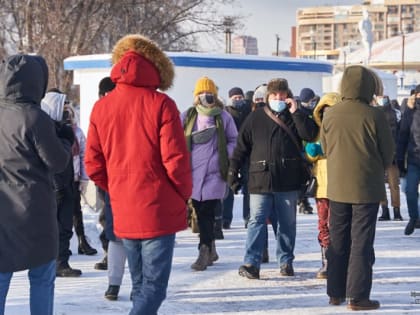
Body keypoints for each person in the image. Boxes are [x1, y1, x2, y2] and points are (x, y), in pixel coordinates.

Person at [85, 34, 192, 315]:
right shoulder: (162, 104)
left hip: (123, 206)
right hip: (158, 206)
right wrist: (182, 194)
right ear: (155, 67)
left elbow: (93, 163)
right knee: (154, 286)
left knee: (140, 283)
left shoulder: (101, 107)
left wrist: (117, 186)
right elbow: (176, 160)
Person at [0, 54, 71, 315]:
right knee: (42, 277)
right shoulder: (35, 117)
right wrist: (64, 137)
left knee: (1, 276)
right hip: (35, 211)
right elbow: (58, 162)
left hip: (3, 209)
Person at [229, 78, 318, 280]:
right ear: (268, 96)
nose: (279, 98)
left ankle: (286, 261)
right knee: (256, 221)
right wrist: (233, 171)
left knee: (287, 223)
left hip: (288, 179)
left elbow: (310, 134)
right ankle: (252, 262)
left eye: (282, 94)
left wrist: (296, 112)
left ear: (288, 96)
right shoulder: (256, 117)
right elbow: (241, 147)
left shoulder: (294, 116)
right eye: (275, 95)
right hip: (260, 178)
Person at [321, 65, 394, 310]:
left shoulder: (330, 114)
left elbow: (325, 146)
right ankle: (358, 296)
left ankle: (335, 292)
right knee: (361, 242)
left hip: (337, 187)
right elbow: (387, 154)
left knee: (338, 240)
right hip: (366, 188)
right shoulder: (374, 115)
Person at [181, 76, 238, 271]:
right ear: (196, 96)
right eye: (202, 93)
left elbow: (233, 140)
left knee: (206, 212)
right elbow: (176, 136)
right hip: (193, 173)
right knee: (199, 210)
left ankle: (203, 251)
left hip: (215, 172)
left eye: (210, 93)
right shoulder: (188, 116)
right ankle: (211, 247)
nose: (206, 97)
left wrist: (221, 155)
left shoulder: (223, 117)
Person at [41, 89, 82, 277]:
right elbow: (53, 158)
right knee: (57, 226)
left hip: (67, 183)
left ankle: (61, 260)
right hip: (56, 185)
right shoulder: (46, 128)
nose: (65, 112)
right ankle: (57, 263)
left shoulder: (63, 129)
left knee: (65, 225)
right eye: (62, 107)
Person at [304, 92, 340, 279]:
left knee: (339, 225)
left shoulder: (345, 132)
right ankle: (327, 261)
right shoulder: (316, 131)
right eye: (324, 112)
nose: (327, 116)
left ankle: (341, 260)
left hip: (342, 187)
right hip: (322, 187)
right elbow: (310, 156)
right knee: (323, 224)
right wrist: (312, 151)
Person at [62, 102, 98, 255]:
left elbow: (84, 155)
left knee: (77, 211)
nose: (67, 116)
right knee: (61, 213)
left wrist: (84, 178)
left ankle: (82, 240)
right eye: (64, 113)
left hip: (75, 178)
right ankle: (62, 245)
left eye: (69, 113)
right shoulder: (54, 130)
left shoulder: (78, 133)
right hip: (60, 179)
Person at [93, 76, 116, 271]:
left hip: (119, 171)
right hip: (104, 173)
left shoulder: (121, 111)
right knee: (106, 215)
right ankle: (109, 251)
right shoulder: (98, 112)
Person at [223, 87, 251, 230]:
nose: (238, 100)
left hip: (246, 154)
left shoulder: (249, 112)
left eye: (240, 97)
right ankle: (225, 219)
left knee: (248, 187)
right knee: (228, 187)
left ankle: (248, 218)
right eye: (235, 98)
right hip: (231, 155)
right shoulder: (226, 113)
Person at [375, 95, 403, 221]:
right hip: (383, 155)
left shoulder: (395, 114)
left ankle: (393, 210)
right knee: (385, 184)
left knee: (392, 185)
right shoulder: (375, 114)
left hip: (390, 155)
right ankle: (388, 210)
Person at [397, 84, 420, 235]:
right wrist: (400, 160)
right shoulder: (409, 112)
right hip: (414, 158)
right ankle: (414, 218)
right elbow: (403, 136)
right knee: (410, 191)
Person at [298, 87, 318, 215]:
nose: (310, 104)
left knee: (314, 176)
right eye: (308, 102)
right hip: (302, 149)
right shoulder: (299, 113)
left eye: (312, 101)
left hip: (316, 147)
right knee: (304, 177)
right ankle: (303, 201)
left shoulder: (316, 111)